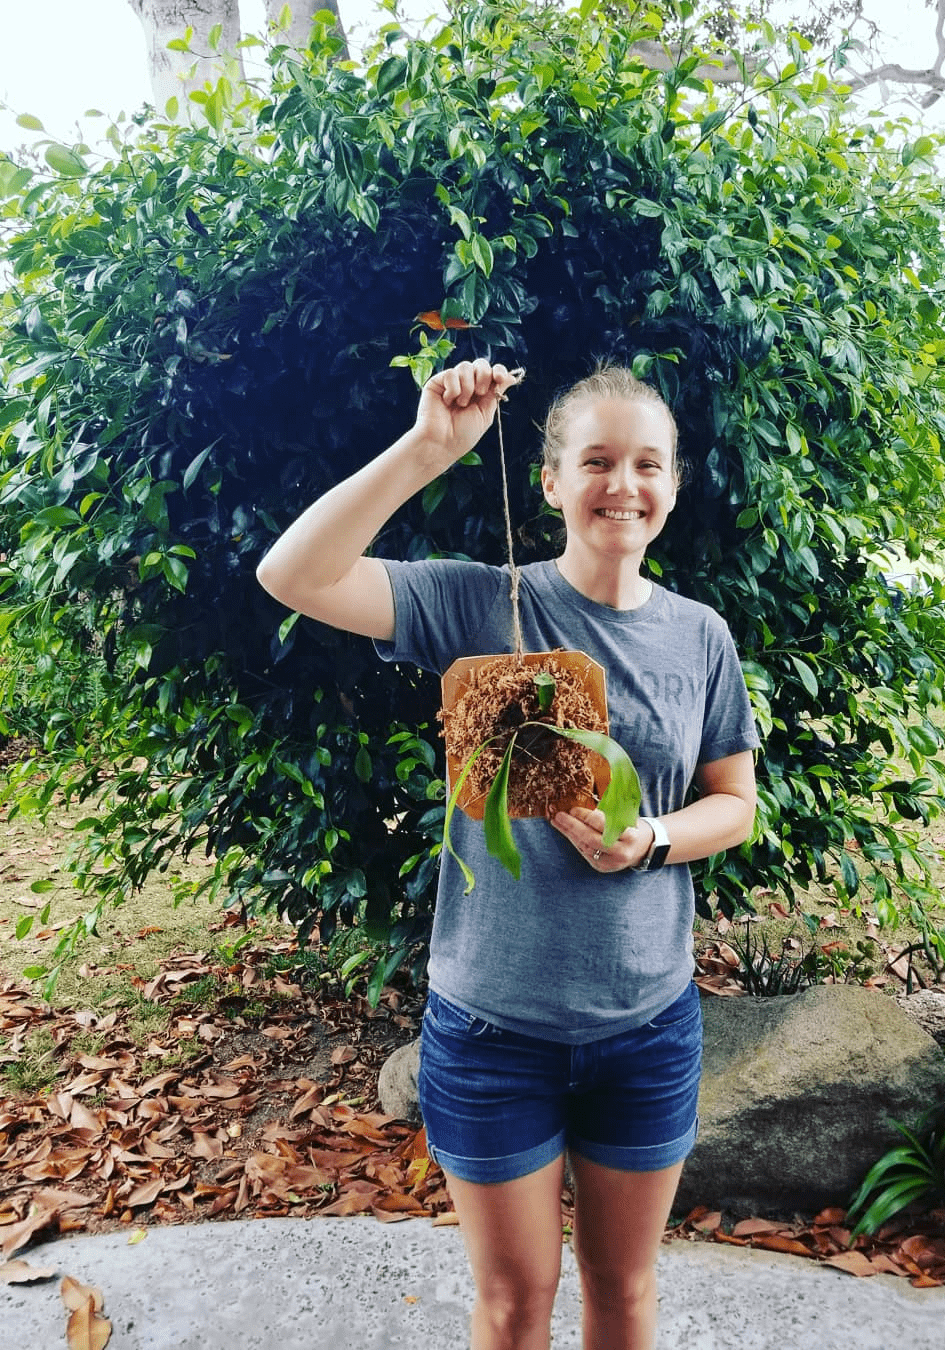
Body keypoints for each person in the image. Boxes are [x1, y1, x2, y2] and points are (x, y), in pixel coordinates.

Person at [256, 358, 760, 1350]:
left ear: (673, 482)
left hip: (647, 1029)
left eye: (648, 463)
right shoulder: (477, 606)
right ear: (551, 480)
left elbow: (734, 806)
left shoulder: (700, 636)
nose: (625, 484)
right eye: (599, 460)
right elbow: (293, 575)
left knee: (624, 1295)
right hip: (493, 1034)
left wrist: (650, 840)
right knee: (511, 1305)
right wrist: (428, 450)